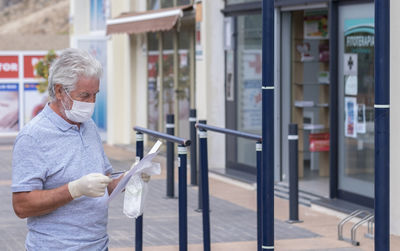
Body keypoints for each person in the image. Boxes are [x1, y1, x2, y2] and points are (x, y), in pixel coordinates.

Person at [12, 48, 125, 250]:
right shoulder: (33, 136)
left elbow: (104, 182)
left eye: (95, 95)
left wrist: (127, 179)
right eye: (84, 96)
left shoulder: (87, 125)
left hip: (99, 245)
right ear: (59, 91)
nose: (91, 103)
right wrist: (74, 189)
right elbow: (22, 205)